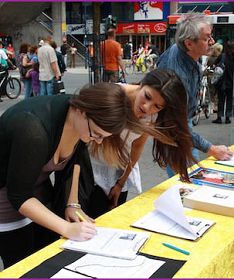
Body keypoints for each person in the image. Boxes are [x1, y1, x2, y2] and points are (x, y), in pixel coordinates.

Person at [0, 82, 175, 269]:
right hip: (7, 197)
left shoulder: (78, 119)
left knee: (45, 253)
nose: (97, 141)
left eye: (103, 137)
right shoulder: (33, 131)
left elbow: (75, 159)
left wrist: (72, 203)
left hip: (35, 191)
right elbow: (19, 196)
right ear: (82, 111)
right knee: (22, 264)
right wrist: (66, 228)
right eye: (96, 134)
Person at [87, 69, 195, 218]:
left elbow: (136, 147)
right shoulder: (112, 96)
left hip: (118, 173)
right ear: (142, 84)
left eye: (157, 106)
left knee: (112, 221)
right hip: (89, 171)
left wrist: (120, 183)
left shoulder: (152, 117)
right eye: (147, 96)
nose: (146, 107)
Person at [157, 13, 233, 178]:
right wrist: (211, 149)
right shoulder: (177, 76)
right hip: (175, 128)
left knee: (190, 176)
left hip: (181, 122)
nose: (212, 42)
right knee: (191, 180)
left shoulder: (183, 50)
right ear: (189, 43)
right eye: (206, 38)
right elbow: (176, 126)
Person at [212, 40, 234, 124]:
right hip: (230, 81)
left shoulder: (222, 56)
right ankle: (228, 117)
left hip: (221, 82)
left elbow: (214, 64)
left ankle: (219, 117)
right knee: (229, 99)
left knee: (221, 99)